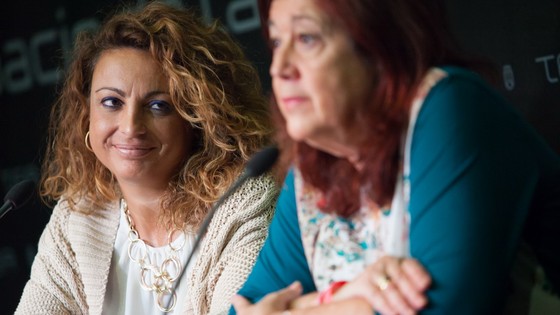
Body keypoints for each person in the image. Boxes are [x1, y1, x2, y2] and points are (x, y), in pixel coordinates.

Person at [231, 0, 560, 314]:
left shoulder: (448, 107)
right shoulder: (313, 166)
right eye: (276, 41)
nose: (279, 67)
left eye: (306, 38)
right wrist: (346, 294)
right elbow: (242, 310)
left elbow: (443, 309)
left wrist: (306, 308)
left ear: (376, 45)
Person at [15, 2, 278, 314]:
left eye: (158, 106)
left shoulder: (243, 206)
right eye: (111, 102)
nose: (130, 127)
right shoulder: (78, 216)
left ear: (198, 118)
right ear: (86, 116)